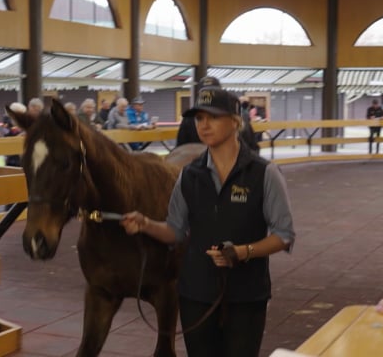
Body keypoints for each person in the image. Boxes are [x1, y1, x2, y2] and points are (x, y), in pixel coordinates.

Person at [120, 87, 295, 357]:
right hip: (195, 294)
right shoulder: (188, 175)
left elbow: (283, 235)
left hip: (247, 295)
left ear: (235, 121)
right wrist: (146, 225)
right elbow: (175, 231)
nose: (203, 125)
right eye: (199, 118)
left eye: (212, 117)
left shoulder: (265, 173)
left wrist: (243, 252)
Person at [176, 76, 221, 147]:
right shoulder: (189, 118)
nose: (208, 96)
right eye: (205, 93)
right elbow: (180, 147)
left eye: (212, 93)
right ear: (199, 94)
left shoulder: (227, 116)